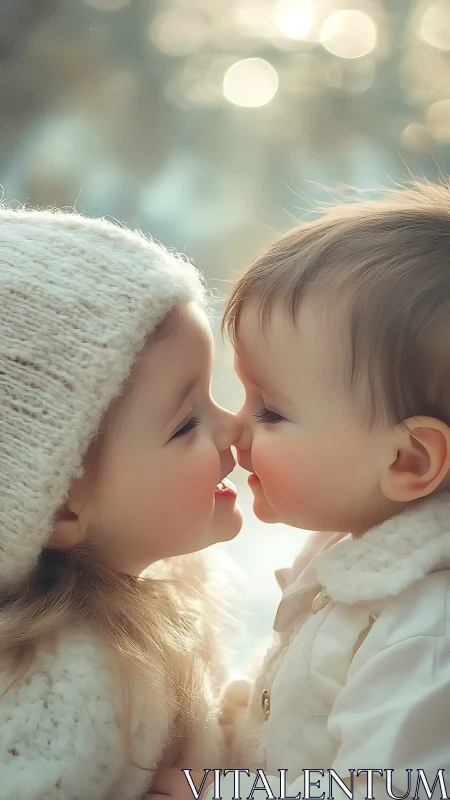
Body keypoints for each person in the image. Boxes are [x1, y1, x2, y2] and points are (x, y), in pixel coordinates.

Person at [153, 181, 450, 800]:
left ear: (410, 458)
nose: (235, 425)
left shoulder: (424, 629)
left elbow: (388, 789)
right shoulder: (350, 558)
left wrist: (215, 794)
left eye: (271, 412)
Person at [0, 207, 242, 800]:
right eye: (187, 422)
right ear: (58, 508)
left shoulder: (169, 582)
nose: (233, 425)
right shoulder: (68, 687)